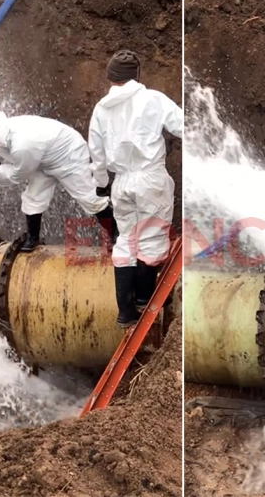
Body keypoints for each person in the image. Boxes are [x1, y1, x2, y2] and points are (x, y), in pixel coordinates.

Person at [88, 50, 183, 328]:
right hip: (150, 178)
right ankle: (143, 299)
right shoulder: (152, 99)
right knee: (152, 237)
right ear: (136, 76)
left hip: (122, 182)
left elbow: (97, 153)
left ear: (110, 77)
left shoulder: (101, 109)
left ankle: (125, 312)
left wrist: (102, 184)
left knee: (127, 239)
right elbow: (182, 126)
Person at [0, 111, 118, 252]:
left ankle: (115, 234)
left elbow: (17, 176)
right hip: (42, 158)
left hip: (69, 156)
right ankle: (33, 239)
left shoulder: (22, 146)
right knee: (33, 198)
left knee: (89, 198)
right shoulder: (3, 131)